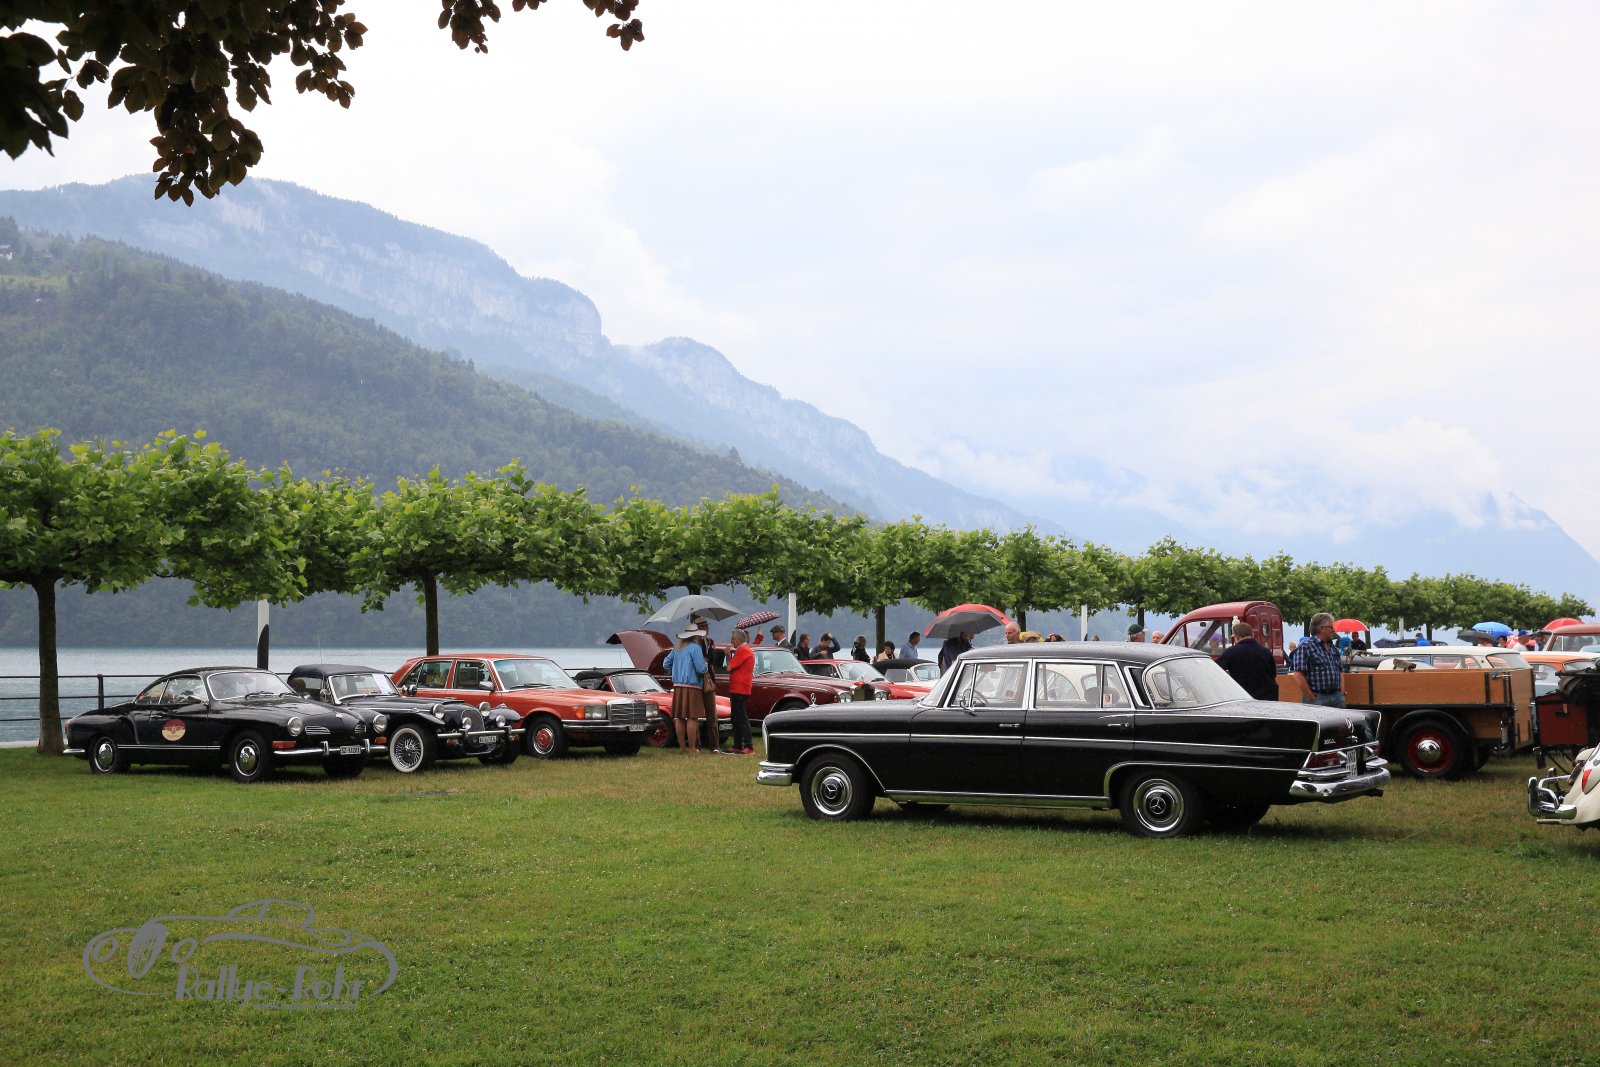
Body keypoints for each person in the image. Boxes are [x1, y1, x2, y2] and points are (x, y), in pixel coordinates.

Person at [661, 628, 708, 753]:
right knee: (692, 717)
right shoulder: (695, 648)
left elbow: (666, 664)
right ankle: (692, 748)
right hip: (693, 686)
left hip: (678, 686)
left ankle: (682, 748)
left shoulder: (677, 648)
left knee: (680, 717)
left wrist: (675, 672)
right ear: (695, 636)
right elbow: (700, 669)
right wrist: (706, 665)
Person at [1290, 612, 1346, 707]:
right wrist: (1311, 697)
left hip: (1337, 697)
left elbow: (1340, 671)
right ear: (1322, 628)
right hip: (1318, 698)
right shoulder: (1306, 646)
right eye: (1331, 627)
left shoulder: (1333, 647)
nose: (1333, 630)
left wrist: (1341, 690)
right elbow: (1298, 674)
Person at [1217, 620, 1279, 701]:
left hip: (1244, 696)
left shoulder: (1231, 652)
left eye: (1234, 637)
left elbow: (1217, 670)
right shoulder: (1266, 651)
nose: (1234, 640)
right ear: (1252, 634)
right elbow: (1273, 673)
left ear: (1238, 636)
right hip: (1268, 696)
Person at [724, 627, 755, 754]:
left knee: (741, 717)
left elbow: (729, 668)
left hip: (740, 688)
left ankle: (748, 746)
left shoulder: (743, 650)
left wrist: (727, 654)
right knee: (736, 717)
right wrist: (728, 655)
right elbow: (731, 666)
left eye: (733, 639)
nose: (732, 641)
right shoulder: (742, 650)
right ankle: (737, 745)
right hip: (738, 688)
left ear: (739, 639)